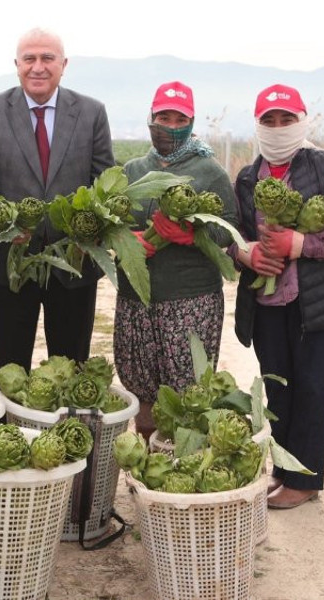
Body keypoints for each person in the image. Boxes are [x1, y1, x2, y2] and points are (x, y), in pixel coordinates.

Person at [231, 84, 324, 509]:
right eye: (268, 120)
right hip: (270, 306)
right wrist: (245, 254)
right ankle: (284, 470)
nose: (278, 128)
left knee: (312, 388)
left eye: (286, 119)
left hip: (321, 305)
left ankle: (305, 479)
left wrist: (300, 244)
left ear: (303, 120)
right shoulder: (248, 177)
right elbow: (234, 235)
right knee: (280, 390)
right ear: (257, 125)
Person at [0, 28, 115, 390]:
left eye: (47, 58)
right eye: (29, 59)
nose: (38, 67)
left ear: (63, 65)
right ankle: (8, 437)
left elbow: (105, 181)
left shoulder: (91, 113)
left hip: (75, 261)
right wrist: (6, 224)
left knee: (71, 365)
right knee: (8, 363)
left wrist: (88, 231)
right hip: (11, 259)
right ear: (16, 65)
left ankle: (68, 439)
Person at [116, 81, 237, 440]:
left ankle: (180, 465)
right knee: (143, 386)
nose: (169, 126)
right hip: (136, 296)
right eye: (162, 117)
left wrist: (192, 234)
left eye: (178, 118)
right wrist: (129, 242)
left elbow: (229, 228)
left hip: (190, 299)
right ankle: (146, 456)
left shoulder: (210, 171)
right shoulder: (133, 170)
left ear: (192, 120)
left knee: (186, 392)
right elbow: (112, 222)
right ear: (150, 119)